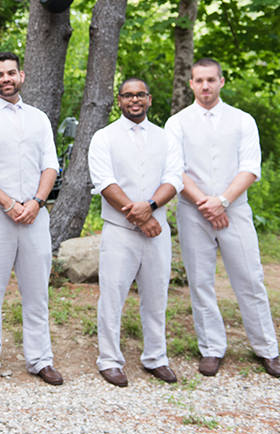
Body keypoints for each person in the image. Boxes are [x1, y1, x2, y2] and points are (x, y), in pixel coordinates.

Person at [163, 58, 280, 378]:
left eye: (211, 80)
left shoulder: (242, 120)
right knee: (201, 282)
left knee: (250, 278)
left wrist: (222, 201)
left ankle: (266, 349)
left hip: (236, 210)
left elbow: (250, 167)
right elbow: (175, 170)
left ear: (221, 81)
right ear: (190, 84)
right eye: (199, 80)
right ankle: (211, 348)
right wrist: (205, 203)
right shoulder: (176, 123)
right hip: (193, 212)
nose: (205, 86)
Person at [86, 76, 182, 387]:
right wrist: (141, 218)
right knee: (112, 296)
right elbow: (104, 182)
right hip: (119, 231)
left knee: (156, 296)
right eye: (128, 95)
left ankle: (156, 357)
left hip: (157, 231)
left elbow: (175, 178)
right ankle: (110, 360)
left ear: (150, 99)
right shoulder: (103, 137)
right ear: (119, 100)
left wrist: (152, 207)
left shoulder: (166, 138)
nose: (134, 100)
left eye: (140, 94)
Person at [0, 51, 62, 385]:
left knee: (37, 291)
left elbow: (51, 165)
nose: (6, 79)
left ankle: (40, 359)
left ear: (22, 76)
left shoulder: (38, 118)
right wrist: (10, 204)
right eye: (0, 74)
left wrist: (37, 202)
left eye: (11, 73)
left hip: (35, 215)